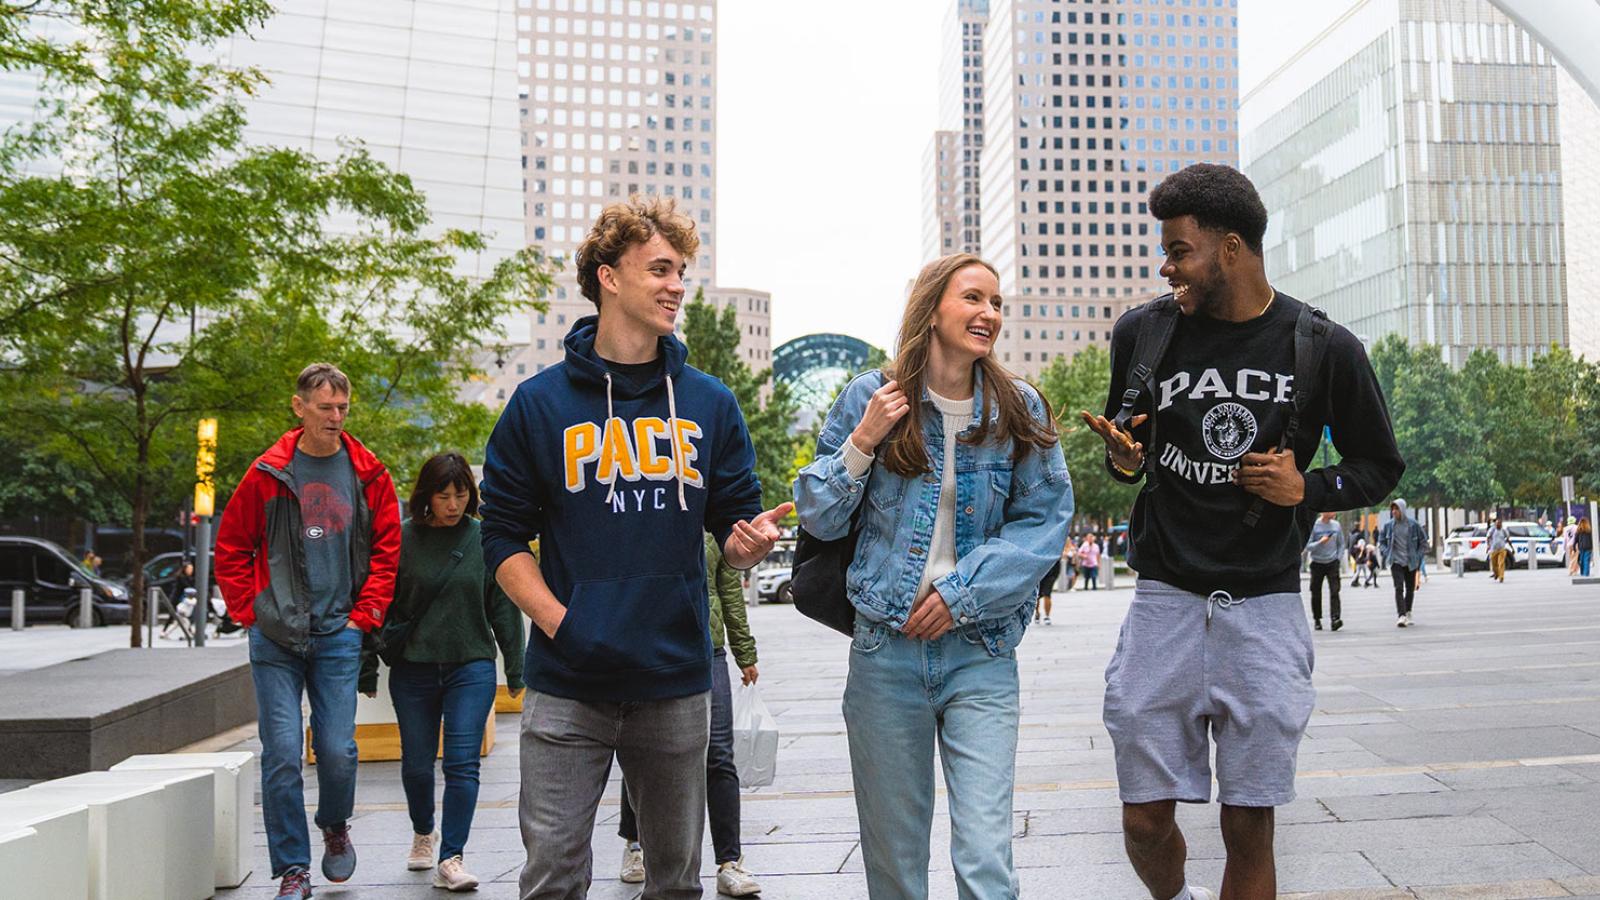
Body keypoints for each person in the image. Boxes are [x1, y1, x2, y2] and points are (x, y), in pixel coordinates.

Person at [1081, 164, 1403, 900]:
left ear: (1231, 249)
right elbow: (1126, 444)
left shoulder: (1323, 345)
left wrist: (1309, 489)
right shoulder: (1144, 333)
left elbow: (1380, 464)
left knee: (1249, 825)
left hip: (1264, 605)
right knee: (1142, 821)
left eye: (1178, 250)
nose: (1166, 267)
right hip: (1164, 596)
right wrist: (1121, 458)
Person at [479, 196, 788, 900]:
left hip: (675, 683)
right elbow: (500, 538)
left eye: (680, 270)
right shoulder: (539, 405)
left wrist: (749, 546)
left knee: (675, 882)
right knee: (552, 874)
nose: (677, 284)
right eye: (659, 269)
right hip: (567, 684)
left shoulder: (710, 404)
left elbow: (735, 535)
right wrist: (564, 624)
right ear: (609, 277)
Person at [795, 252, 1073, 900]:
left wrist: (962, 592)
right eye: (974, 298)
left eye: (997, 303)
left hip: (982, 654)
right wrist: (863, 441)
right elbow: (819, 514)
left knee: (985, 861)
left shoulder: (1018, 406)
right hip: (884, 654)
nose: (990, 314)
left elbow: (1045, 522)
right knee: (895, 869)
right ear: (934, 307)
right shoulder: (871, 396)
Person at [214, 363, 402, 900]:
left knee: (339, 750)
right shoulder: (268, 473)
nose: (336, 418)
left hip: (339, 632)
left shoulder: (368, 474)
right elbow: (230, 547)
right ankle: (293, 868)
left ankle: (335, 823)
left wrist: (364, 614)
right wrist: (250, 610)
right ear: (299, 407)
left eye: (343, 408)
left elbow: (388, 551)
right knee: (280, 752)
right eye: (325, 408)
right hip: (275, 634)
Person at [356, 452, 526, 892]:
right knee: (415, 764)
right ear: (426, 496)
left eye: (461, 494)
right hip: (414, 668)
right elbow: (379, 604)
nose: (453, 504)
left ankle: (452, 856)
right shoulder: (402, 540)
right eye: (443, 495)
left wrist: (518, 669)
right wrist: (367, 668)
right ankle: (422, 830)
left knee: (462, 763)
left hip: (471, 665)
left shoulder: (482, 538)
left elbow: (503, 606)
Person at [617, 532, 762, 896]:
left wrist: (745, 651)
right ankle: (635, 846)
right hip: (648, 650)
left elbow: (729, 588)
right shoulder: (648, 512)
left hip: (707, 649)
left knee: (720, 757)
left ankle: (730, 861)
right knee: (641, 749)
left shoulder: (716, 525)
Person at [1379, 499, 1427, 627]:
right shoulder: (1389, 526)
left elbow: (1423, 542)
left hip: (1411, 561)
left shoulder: (1413, 525)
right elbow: (1381, 542)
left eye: (1397, 509)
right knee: (1398, 588)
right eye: (1392, 509)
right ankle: (1401, 615)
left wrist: (1418, 556)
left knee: (1410, 589)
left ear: (1403, 510)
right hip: (1396, 561)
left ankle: (1408, 611)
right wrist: (1386, 552)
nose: (1394, 512)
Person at [1305, 511, 1346, 631]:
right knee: (1316, 592)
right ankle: (1317, 619)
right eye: (1331, 509)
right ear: (1324, 511)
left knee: (1335, 590)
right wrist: (1320, 542)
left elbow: (1341, 544)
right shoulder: (1315, 525)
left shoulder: (1336, 525)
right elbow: (1307, 546)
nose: (1334, 512)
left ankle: (1335, 618)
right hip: (1317, 562)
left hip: (1332, 562)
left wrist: (1338, 558)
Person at [1035, 551, 1062, 625]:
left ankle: (1047, 616)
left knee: (1047, 594)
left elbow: (1058, 563)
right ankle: (1037, 613)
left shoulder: (1055, 548)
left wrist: (1055, 576)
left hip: (1051, 574)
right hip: (1039, 574)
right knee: (1037, 596)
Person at [1486, 518, 1511, 583]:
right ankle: (1496, 574)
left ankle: (1501, 577)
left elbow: (1508, 539)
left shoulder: (1504, 530)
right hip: (1493, 550)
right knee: (1494, 564)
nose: (1498, 525)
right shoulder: (1492, 530)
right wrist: (1488, 546)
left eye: (1499, 524)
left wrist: (1512, 548)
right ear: (1495, 524)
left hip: (1502, 549)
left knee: (1501, 563)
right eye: (1497, 524)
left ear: (1501, 524)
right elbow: (1488, 537)